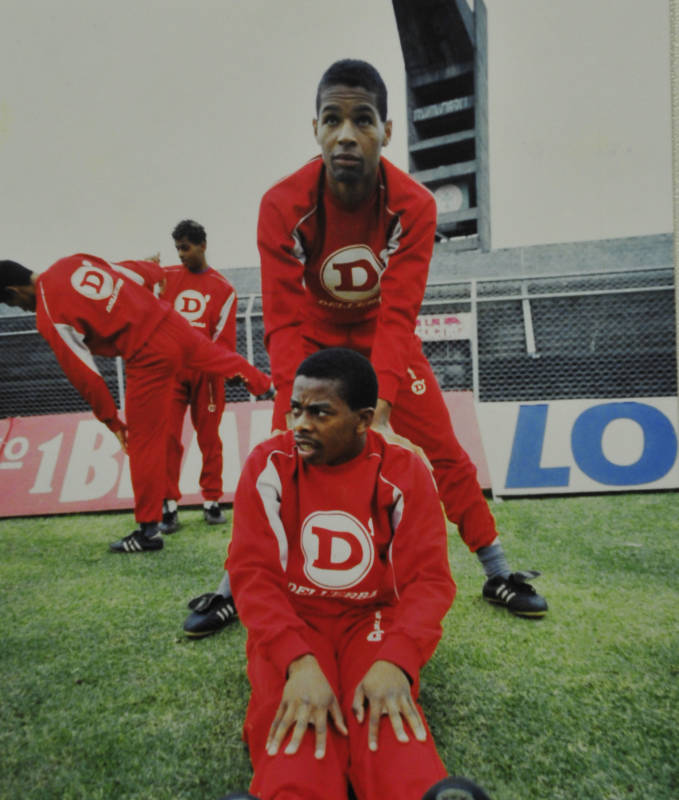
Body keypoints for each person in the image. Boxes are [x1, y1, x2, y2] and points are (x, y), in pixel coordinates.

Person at [183, 57, 546, 637]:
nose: (346, 135)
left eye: (363, 120)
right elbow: (281, 320)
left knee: (445, 451)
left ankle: (497, 570)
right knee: (281, 453)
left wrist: (381, 407)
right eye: (332, 120)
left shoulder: (415, 205)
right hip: (314, 341)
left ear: (387, 131)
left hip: (382, 338)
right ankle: (232, 588)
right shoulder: (282, 204)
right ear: (316, 129)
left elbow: (399, 315)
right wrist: (295, 401)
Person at [196, 348, 506, 800]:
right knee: (294, 718)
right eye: (294, 409)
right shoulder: (269, 465)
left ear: (364, 419)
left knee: (385, 713)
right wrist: (297, 661)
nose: (299, 424)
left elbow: (428, 580)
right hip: (295, 620)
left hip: (374, 621)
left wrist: (396, 658)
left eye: (320, 412)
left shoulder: (403, 470)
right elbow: (251, 573)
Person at [0, 256, 271, 551]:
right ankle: (271, 387)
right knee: (219, 357)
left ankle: (148, 532)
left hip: (145, 354)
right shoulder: (72, 262)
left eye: (13, 303)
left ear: (13, 291)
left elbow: (85, 375)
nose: (22, 308)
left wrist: (112, 420)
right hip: (170, 322)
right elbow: (136, 272)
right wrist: (153, 272)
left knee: (143, 442)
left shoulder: (49, 312)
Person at [159, 220, 238, 534]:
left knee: (209, 437)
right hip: (172, 371)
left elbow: (224, 339)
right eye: (178, 248)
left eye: (186, 248)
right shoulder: (165, 278)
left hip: (206, 373)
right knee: (167, 437)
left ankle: (212, 500)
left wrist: (221, 367)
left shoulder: (224, 288)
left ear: (202, 245)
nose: (181, 254)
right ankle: (168, 505)